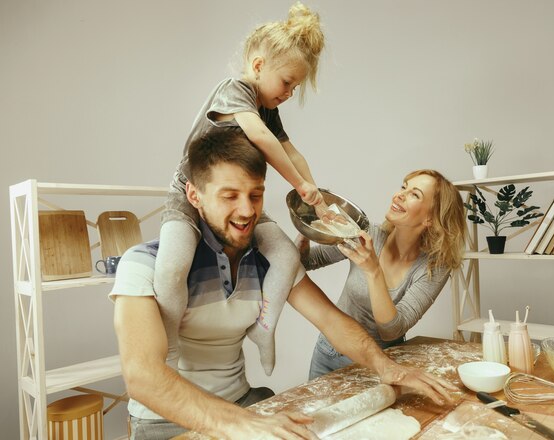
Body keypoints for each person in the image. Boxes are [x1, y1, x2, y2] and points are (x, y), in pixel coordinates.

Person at [112, 128, 457, 440]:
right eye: (229, 196)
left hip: (243, 404)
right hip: (166, 423)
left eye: (256, 195)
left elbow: (332, 321)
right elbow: (143, 375)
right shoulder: (143, 265)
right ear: (194, 195)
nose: (247, 211)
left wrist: (388, 367)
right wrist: (239, 423)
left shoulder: (268, 261)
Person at [154, 2, 338, 369]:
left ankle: (264, 329)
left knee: (286, 256)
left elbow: (292, 151)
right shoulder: (235, 90)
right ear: (258, 66)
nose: (288, 93)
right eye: (286, 82)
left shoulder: (270, 109)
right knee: (172, 268)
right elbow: (262, 140)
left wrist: (318, 199)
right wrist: (300, 185)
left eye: (295, 87)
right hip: (191, 196)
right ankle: (170, 345)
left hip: (239, 203)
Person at [297, 169, 467, 379]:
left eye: (415, 194)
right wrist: (306, 231)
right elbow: (308, 261)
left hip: (379, 364)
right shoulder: (368, 234)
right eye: (404, 186)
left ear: (430, 219)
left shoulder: (434, 267)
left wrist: (373, 270)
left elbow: (392, 331)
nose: (399, 195)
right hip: (328, 351)